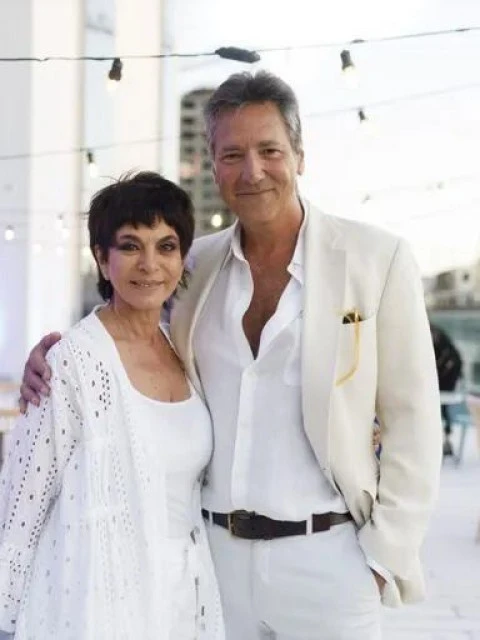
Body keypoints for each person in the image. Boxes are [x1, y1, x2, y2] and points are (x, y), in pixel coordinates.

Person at [20, 71, 442, 640]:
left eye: (269, 150)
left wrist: (381, 559)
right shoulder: (192, 265)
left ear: (299, 155)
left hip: (331, 562)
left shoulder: (377, 258)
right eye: (232, 154)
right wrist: (55, 353)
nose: (253, 171)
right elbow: (132, 330)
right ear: (213, 166)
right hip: (214, 566)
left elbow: (414, 418)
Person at [0, 172, 224, 640]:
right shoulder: (72, 363)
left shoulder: (185, 348)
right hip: (99, 604)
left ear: (182, 258)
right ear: (102, 260)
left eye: (166, 246)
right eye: (130, 246)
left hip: (185, 598)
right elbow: (19, 508)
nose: (150, 264)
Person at [430, 322, 464, 456]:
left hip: (446, 379)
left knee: (443, 409)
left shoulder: (444, 347)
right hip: (441, 378)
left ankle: (445, 440)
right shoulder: (439, 342)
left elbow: (452, 364)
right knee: (440, 409)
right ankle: (444, 440)